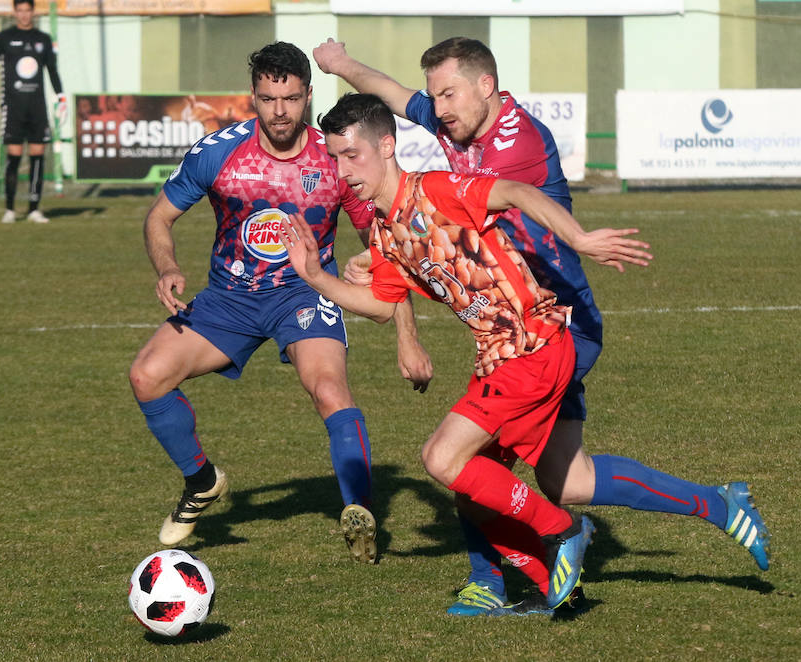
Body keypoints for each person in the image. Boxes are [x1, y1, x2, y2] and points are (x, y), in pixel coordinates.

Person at [313, 37, 771, 614]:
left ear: (487, 86)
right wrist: (342, 66)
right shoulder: (457, 122)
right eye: (436, 96)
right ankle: (716, 507)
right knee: (567, 478)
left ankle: (514, 570)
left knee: (468, 466)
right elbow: (395, 97)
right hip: (518, 326)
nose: (439, 108)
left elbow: (499, 202)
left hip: (556, 323)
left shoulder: (517, 142)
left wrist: (573, 238)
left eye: (448, 94)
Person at [281, 93, 658, 613]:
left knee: (440, 457)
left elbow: (520, 192)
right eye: (336, 158)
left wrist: (581, 238)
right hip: (498, 357)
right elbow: (380, 305)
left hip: (533, 343)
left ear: (386, 146)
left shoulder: (437, 189)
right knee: (471, 487)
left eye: (353, 155)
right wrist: (315, 277)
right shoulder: (384, 229)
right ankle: (555, 588)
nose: (343, 171)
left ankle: (563, 529)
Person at [128, 42, 382, 562]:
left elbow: (377, 232)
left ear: (309, 95)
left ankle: (361, 513)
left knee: (330, 389)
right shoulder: (218, 151)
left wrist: (372, 261)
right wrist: (169, 267)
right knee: (146, 377)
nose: (280, 111)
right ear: (254, 97)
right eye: (268, 99)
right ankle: (201, 482)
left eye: (290, 98)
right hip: (230, 297)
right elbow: (159, 218)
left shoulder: (334, 156)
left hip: (304, 292)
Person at [0, 0, 66, 225]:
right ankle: (9, 208)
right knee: (14, 156)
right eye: (20, 10)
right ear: (15, 12)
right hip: (14, 107)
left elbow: (52, 70)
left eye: (28, 10)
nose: (24, 15)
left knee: (37, 155)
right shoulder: (4, 38)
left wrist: (61, 98)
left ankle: (34, 209)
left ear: (32, 12)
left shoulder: (43, 39)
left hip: (37, 108)